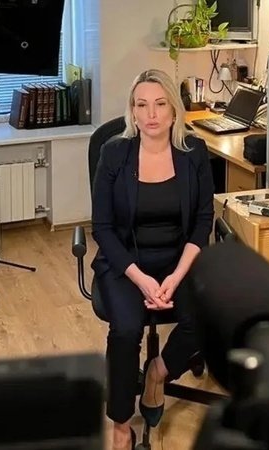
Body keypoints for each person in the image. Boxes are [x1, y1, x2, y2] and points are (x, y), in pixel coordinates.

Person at [90, 69, 215, 450]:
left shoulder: (194, 153)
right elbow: (102, 228)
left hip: (179, 260)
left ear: (174, 110)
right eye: (141, 105)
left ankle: (158, 372)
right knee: (126, 330)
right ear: (132, 111)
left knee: (208, 314)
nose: (151, 114)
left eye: (160, 104)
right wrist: (141, 279)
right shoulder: (114, 153)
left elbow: (203, 221)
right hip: (126, 263)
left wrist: (175, 277)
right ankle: (120, 424)